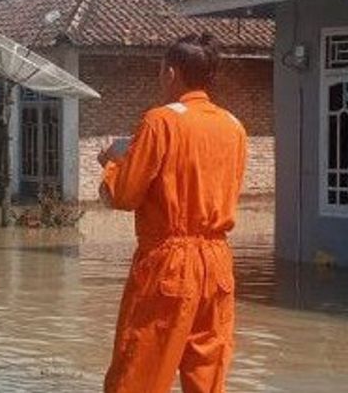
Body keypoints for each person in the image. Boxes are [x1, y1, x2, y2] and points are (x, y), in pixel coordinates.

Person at [97, 34, 247, 393]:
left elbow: (123, 196)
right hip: (217, 262)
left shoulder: (160, 121)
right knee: (207, 375)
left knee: (138, 373)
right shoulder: (234, 126)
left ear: (171, 73)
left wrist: (113, 163)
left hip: (169, 262)